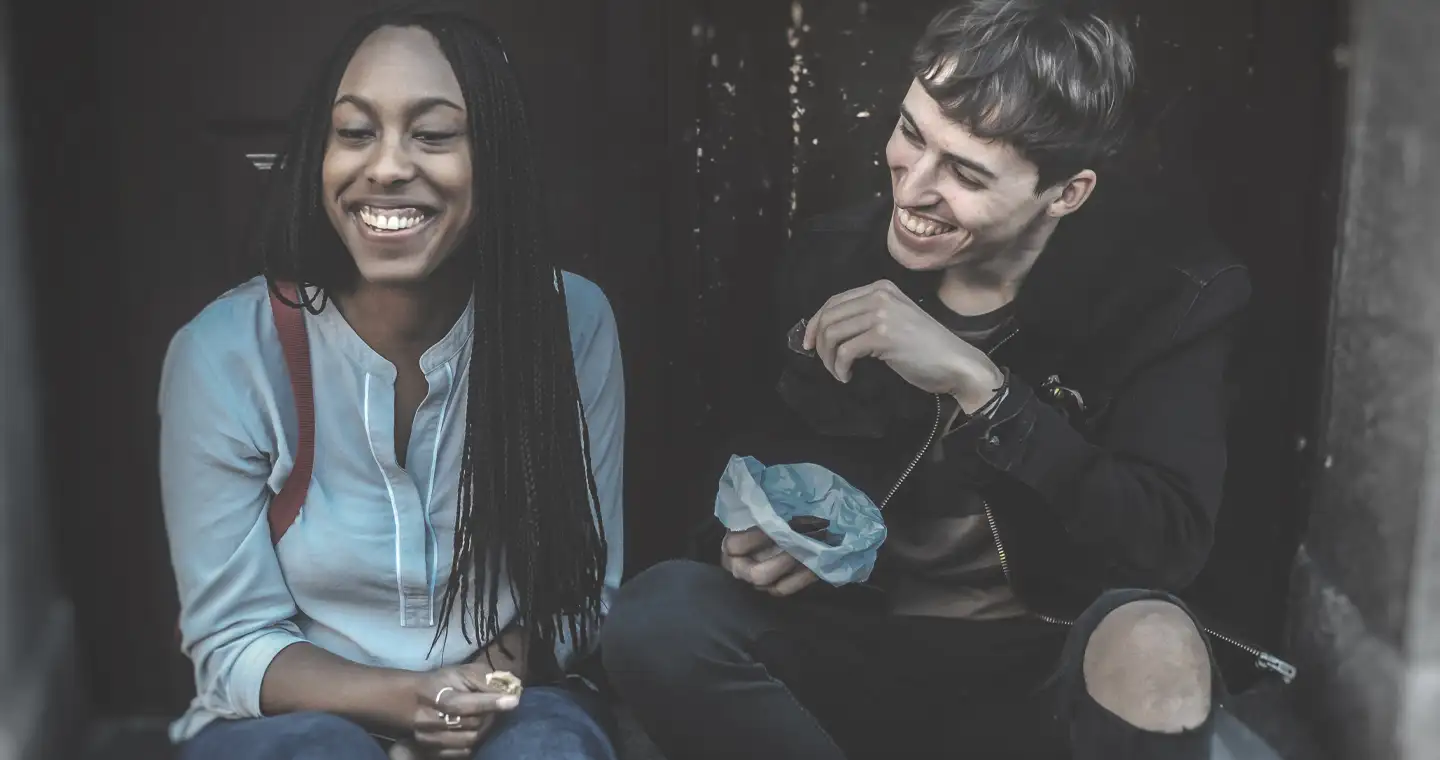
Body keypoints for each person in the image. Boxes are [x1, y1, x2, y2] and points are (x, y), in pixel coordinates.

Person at [601, 1, 1286, 758]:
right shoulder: (836, 258)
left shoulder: (1170, 296)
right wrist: (758, 538)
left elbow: (1166, 542)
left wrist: (984, 390)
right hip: (861, 644)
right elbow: (750, 450)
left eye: (964, 172)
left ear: (1066, 193)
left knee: (1156, 642)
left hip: (1045, 664)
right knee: (659, 615)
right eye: (910, 133)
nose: (914, 186)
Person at [158, 6, 625, 760]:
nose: (385, 166)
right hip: (292, 720)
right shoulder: (226, 353)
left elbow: (579, 597)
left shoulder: (570, 325)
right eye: (355, 132)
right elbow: (231, 641)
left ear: (495, 158)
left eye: (434, 134)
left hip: (510, 703)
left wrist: (467, 697)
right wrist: (406, 705)